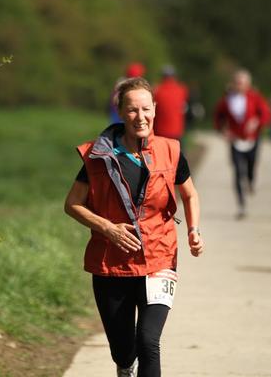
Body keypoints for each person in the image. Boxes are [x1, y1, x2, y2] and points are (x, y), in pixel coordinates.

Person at [65, 77, 204, 377]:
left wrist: (193, 230)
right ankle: (125, 366)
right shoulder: (98, 156)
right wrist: (108, 228)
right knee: (124, 349)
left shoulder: (171, 150)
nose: (140, 117)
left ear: (155, 109)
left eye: (145, 109)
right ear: (120, 112)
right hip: (111, 263)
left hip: (159, 256)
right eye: (131, 110)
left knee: (148, 342)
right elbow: (72, 204)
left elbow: (190, 194)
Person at [214, 69, 271, 219]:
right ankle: (241, 206)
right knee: (238, 172)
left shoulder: (255, 97)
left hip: (252, 139)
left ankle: (251, 181)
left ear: (248, 84)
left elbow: (266, 114)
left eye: (242, 83)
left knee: (251, 167)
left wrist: (256, 121)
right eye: (237, 82)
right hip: (235, 140)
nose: (239, 85)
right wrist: (223, 130)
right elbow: (218, 116)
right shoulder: (227, 99)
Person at [152, 65, 189, 141]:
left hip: (160, 131)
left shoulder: (157, 90)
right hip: (177, 131)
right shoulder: (182, 89)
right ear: (174, 76)